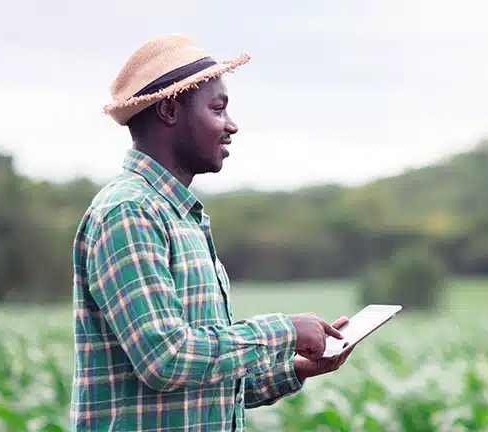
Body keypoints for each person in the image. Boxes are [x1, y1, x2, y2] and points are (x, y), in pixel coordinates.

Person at [70, 34, 356, 431]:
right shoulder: (130, 212)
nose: (231, 126)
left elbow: (205, 384)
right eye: (218, 109)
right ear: (170, 111)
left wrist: (299, 368)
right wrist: (283, 330)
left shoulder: (183, 217)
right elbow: (165, 360)